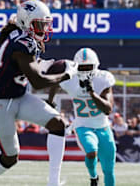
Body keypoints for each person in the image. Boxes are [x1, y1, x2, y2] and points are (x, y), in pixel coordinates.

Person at [0, 0, 78, 186]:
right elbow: (38, 81)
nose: (45, 29)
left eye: (46, 24)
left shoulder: (24, 37)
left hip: (18, 95)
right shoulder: (22, 44)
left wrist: (51, 65)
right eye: (40, 24)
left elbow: (33, 68)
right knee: (11, 156)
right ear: (26, 22)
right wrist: (66, 74)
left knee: (58, 124)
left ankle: (53, 182)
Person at [48, 48, 116, 186]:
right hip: (83, 126)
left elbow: (108, 109)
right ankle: (93, 177)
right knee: (91, 151)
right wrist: (50, 101)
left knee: (109, 170)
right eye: (82, 67)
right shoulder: (70, 79)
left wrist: (92, 93)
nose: (85, 71)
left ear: (95, 66)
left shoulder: (102, 79)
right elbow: (55, 83)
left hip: (103, 127)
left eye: (88, 67)